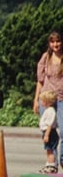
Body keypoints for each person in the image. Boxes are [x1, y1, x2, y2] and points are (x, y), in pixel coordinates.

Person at [34, 30, 63, 169]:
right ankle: (52, 162)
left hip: (61, 99)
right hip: (46, 99)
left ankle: (62, 160)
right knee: (47, 131)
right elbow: (39, 80)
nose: (55, 44)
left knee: (62, 131)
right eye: (52, 42)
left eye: (58, 41)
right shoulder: (46, 58)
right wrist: (36, 100)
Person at [38, 90, 58, 174]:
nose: (41, 102)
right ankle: (48, 164)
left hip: (50, 132)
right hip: (46, 132)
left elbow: (49, 124)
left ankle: (51, 166)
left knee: (50, 150)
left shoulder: (51, 111)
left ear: (47, 102)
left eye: (42, 101)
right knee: (48, 150)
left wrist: (47, 135)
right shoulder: (48, 110)